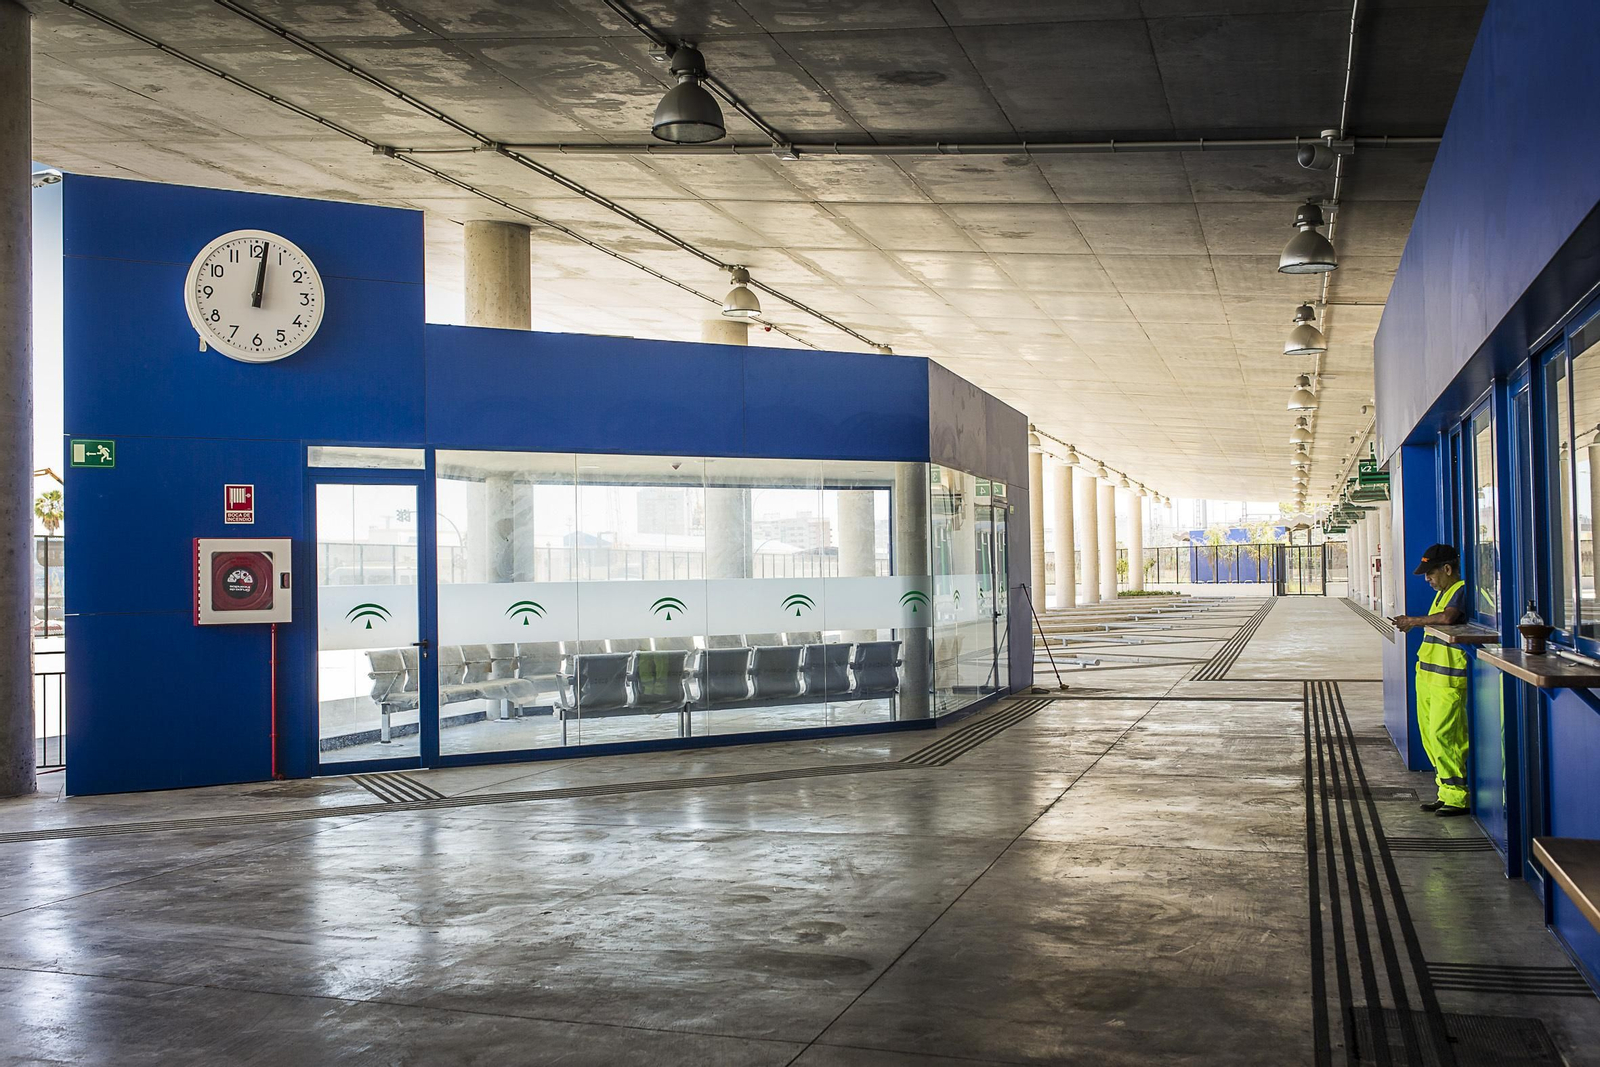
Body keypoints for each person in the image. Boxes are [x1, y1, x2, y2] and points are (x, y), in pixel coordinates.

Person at [1390, 544, 1470, 816]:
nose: (1427, 579)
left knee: (1445, 736)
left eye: (1431, 573)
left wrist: (1413, 620)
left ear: (1447, 569)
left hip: (1448, 681)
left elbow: (1448, 619)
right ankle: (1444, 792)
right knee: (1430, 738)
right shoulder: (1444, 594)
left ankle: (1458, 797)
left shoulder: (1460, 590)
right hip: (1429, 678)